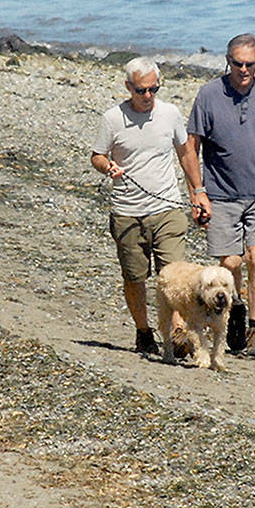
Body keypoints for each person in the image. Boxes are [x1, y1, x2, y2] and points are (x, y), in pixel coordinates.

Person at [185, 33, 255, 357]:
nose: (243, 69)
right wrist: (198, 192)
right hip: (220, 192)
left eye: (249, 64)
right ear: (227, 61)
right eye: (237, 63)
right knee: (230, 260)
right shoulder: (209, 95)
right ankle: (234, 314)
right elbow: (191, 147)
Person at [91, 57, 203, 355]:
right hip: (127, 212)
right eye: (141, 90)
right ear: (129, 87)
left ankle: (178, 332)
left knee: (174, 274)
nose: (148, 95)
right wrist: (108, 167)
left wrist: (198, 191)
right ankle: (143, 331)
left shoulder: (170, 114)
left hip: (167, 208)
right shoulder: (112, 118)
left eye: (154, 88)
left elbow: (186, 153)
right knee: (135, 277)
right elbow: (97, 156)